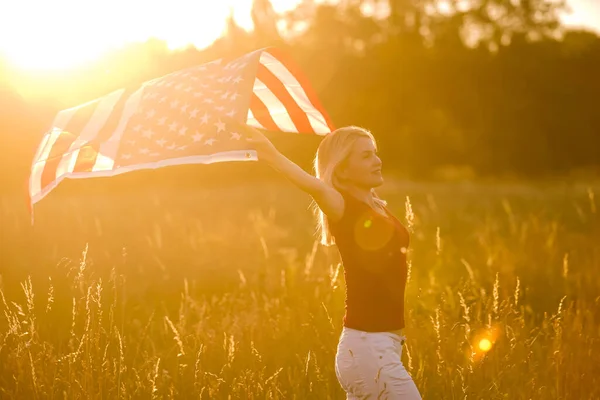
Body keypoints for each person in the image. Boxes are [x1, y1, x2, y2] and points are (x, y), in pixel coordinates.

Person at [242, 124, 422, 399]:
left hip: (380, 346)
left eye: (375, 153)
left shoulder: (376, 205)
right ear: (342, 169)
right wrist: (270, 153)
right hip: (368, 349)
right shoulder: (342, 205)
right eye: (365, 156)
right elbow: (310, 184)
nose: (377, 161)